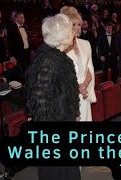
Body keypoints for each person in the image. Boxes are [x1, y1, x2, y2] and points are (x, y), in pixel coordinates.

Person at [25, 13, 81, 180]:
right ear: (61, 35)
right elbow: (39, 98)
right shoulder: (48, 60)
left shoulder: (58, 57)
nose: (74, 33)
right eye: (71, 30)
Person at [61, 7, 97, 122]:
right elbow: (62, 75)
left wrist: (84, 86)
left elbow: (90, 69)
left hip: (84, 94)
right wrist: (78, 88)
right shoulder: (60, 46)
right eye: (74, 25)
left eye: (79, 25)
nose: (77, 28)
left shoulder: (86, 44)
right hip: (68, 95)